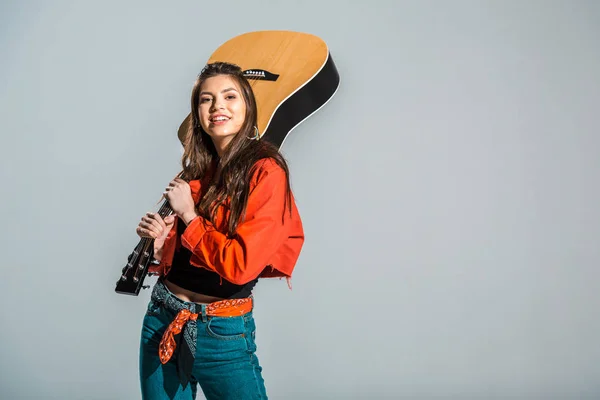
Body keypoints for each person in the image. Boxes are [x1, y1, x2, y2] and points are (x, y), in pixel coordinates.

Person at [135, 61, 304, 399]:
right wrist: (160, 248)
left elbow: (240, 265)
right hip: (163, 319)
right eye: (206, 99)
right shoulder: (196, 171)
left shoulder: (266, 173)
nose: (217, 107)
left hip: (222, 333)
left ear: (248, 107)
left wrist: (190, 215)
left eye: (230, 96)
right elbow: (186, 253)